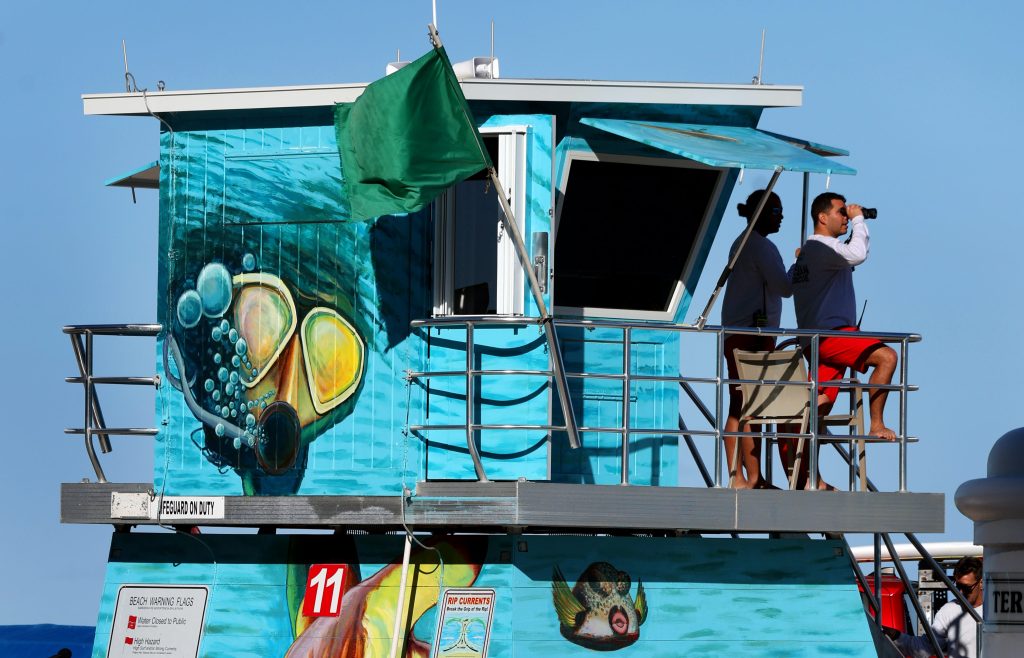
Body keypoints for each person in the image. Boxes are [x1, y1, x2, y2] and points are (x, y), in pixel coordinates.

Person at [790, 192, 898, 440]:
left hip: (817, 339)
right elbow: (858, 254)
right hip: (832, 335)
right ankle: (877, 425)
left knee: (817, 406)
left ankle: (804, 477)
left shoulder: (811, 251)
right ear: (822, 217)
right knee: (887, 358)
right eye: (841, 211)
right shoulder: (821, 247)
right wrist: (860, 219)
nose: (846, 217)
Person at [720, 189, 792, 489]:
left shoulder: (743, 242)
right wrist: (802, 266)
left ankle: (747, 477)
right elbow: (785, 287)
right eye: (776, 211)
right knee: (748, 406)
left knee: (743, 406)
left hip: (744, 333)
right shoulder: (760, 246)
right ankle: (747, 478)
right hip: (750, 336)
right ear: (761, 213)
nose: (782, 217)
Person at [884, 556, 983, 658]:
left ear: (981, 583)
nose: (960, 592)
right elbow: (925, 648)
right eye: (958, 587)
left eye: (966, 588)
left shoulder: (995, 613)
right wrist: (896, 636)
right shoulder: (949, 611)